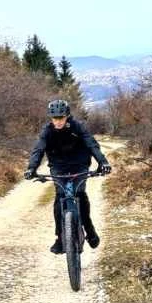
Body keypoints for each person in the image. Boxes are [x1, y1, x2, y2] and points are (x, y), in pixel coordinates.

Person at [24, 99, 112, 254]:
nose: (58, 121)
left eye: (61, 118)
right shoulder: (47, 131)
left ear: (67, 116)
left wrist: (103, 162)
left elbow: (92, 145)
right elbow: (38, 150)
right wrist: (31, 168)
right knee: (60, 197)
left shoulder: (78, 127)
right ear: (51, 118)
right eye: (55, 118)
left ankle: (89, 229)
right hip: (58, 166)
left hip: (79, 164)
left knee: (80, 193)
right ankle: (60, 238)